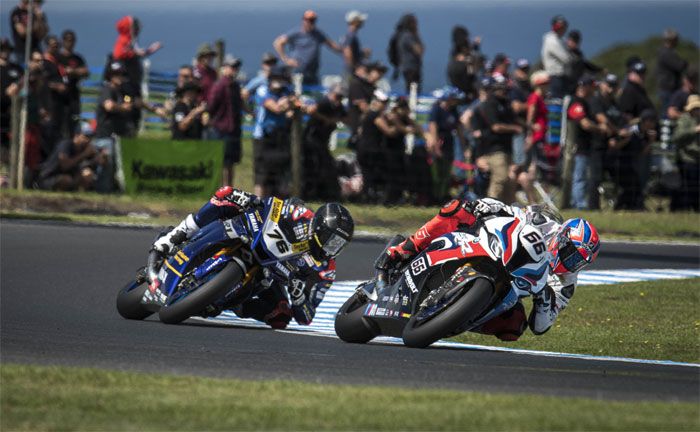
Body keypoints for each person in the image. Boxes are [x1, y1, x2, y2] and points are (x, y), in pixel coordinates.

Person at [384, 197, 600, 341]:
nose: (571, 262)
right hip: (491, 245)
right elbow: (512, 211)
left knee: (514, 328)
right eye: (570, 253)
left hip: (510, 287)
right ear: (562, 238)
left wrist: (544, 298)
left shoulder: (567, 282)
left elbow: (541, 327)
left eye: (578, 261)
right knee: (456, 209)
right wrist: (487, 207)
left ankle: (456, 316)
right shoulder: (543, 223)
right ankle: (405, 249)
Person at [151, 187, 355, 329]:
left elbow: (306, 317)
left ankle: (226, 303)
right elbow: (273, 206)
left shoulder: (326, 270)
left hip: (269, 275)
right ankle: (175, 236)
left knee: (281, 315)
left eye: (339, 244)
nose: (333, 248)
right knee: (225, 194)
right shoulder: (301, 215)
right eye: (332, 240)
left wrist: (299, 296)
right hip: (250, 235)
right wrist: (252, 201)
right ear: (318, 228)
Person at [252, 65, 300, 197]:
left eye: (280, 78)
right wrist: (287, 104)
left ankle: (275, 206)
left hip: (280, 136)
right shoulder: (262, 90)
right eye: (275, 78)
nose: (278, 81)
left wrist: (288, 102)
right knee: (262, 175)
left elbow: (296, 103)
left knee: (278, 174)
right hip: (263, 137)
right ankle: (259, 205)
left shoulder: (287, 91)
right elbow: (276, 108)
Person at [562, 75, 607, 210]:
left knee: (583, 177)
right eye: (592, 87)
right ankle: (578, 204)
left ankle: (579, 202)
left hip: (585, 147)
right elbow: (585, 124)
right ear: (585, 87)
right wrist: (600, 128)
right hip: (578, 147)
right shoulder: (576, 103)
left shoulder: (585, 103)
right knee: (579, 176)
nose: (594, 90)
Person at [480, 75, 522, 203]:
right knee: (500, 178)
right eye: (502, 87)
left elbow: (515, 120)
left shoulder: (506, 104)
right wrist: (514, 128)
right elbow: (496, 127)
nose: (504, 90)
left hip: (507, 148)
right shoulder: (490, 104)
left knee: (510, 181)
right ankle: (490, 207)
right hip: (494, 148)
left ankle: (508, 209)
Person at [302, 84, 347, 201]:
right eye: (337, 97)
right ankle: (309, 194)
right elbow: (311, 110)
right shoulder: (324, 102)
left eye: (341, 98)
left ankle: (324, 194)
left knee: (325, 166)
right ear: (331, 94)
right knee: (313, 166)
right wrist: (325, 119)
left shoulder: (338, 107)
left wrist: (332, 120)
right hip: (311, 139)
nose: (339, 100)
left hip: (323, 141)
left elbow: (345, 118)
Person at [273, 10, 342, 86]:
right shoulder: (296, 33)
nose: (310, 22)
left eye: (312, 20)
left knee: (314, 93)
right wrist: (286, 59)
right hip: (298, 71)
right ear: (303, 20)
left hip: (312, 72)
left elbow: (332, 45)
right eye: (308, 20)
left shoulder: (318, 34)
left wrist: (345, 50)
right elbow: (278, 43)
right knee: (297, 92)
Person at [588, 73, 626, 210]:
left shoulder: (615, 103)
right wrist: (617, 131)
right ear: (602, 84)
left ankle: (620, 206)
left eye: (614, 86)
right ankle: (593, 207)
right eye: (609, 85)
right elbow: (601, 118)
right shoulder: (596, 100)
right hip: (598, 145)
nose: (611, 89)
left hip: (613, 146)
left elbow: (621, 121)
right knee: (596, 178)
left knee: (620, 178)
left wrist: (616, 136)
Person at [36, 121, 105, 191]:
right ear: (76, 136)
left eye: (90, 137)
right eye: (85, 137)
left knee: (87, 174)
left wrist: (99, 158)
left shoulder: (85, 148)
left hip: (70, 177)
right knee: (66, 180)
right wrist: (84, 154)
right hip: (49, 177)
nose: (88, 140)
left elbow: (99, 161)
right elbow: (65, 165)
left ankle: (79, 194)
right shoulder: (66, 144)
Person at [207, 55, 243, 186]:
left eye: (236, 67)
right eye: (232, 67)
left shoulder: (235, 86)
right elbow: (211, 106)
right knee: (222, 164)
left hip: (233, 129)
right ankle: (222, 192)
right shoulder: (219, 86)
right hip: (221, 129)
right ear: (224, 68)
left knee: (230, 164)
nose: (235, 70)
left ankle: (229, 191)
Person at [426, 86, 466, 203]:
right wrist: (435, 144)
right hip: (439, 140)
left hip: (449, 141)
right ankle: (435, 196)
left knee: (447, 171)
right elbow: (433, 126)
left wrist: (464, 146)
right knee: (437, 171)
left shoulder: (453, 111)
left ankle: (444, 195)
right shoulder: (437, 109)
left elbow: (458, 129)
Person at [670, 94, 700, 212]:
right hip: (687, 158)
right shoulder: (684, 120)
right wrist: (694, 130)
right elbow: (677, 137)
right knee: (688, 186)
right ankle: (684, 208)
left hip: (698, 158)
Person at [58, 30, 88, 139]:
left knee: (74, 122)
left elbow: (85, 72)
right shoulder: (58, 57)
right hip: (59, 97)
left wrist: (73, 71)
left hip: (73, 95)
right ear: (63, 41)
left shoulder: (77, 58)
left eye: (72, 40)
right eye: (67, 40)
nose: (70, 43)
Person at [42, 34, 68, 144]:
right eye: (53, 46)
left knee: (60, 128)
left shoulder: (58, 61)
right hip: (50, 100)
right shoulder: (44, 62)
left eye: (57, 46)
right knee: (51, 128)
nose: (56, 48)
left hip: (61, 102)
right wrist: (57, 87)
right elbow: (43, 82)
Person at [95, 61, 132, 139]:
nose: (119, 76)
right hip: (106, 135)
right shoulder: (107, 90)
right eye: (116, 74)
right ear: (110, 76)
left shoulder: (124, 91)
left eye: (121, 74)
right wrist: (122, 107)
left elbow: (129, 102)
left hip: (121, 133)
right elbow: (109, 106)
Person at [656, 28, 688, 118]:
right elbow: (679, 66)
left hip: (670, 88)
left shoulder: (668, 52)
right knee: (667, 113)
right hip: (668, 89)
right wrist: (684, 63)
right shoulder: (665, 53)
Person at [0, 38, 23, 159]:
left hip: (13, 113)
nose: (5, 52)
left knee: (13, 147)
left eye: (7, 49)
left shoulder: (16, 68)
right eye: (2, 49)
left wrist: (18, 87)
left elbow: (25, 83)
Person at [541, 15, 572, 98]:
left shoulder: (560, 39)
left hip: (560, 76)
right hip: (555, 76)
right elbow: (566, 58)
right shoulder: (552, 40)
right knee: (557, 100)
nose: (562, 29)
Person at [10, 0, 49, 65]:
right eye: (36, 2)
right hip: (22, 51)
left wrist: (39, 18)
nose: (38, 5)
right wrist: (35, 25)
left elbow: (42, 34)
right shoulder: (17, 13)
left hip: (36, 50)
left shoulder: (39, 14)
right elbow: (22, 33)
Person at [564, 29, 601, 95]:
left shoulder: (579, 54)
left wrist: (600, 69)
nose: (574, 43)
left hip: (577, 84)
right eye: (572, 40)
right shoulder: (562, 51)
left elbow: (585, 64)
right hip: (566, 83)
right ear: (568, 40)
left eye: (576, 41)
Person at [395, 14, 424, 93]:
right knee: (413, 88)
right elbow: (419, 50)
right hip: (410, 67)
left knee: (412, 87)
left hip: (408, 66)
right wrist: (417, 35)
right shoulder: (408, 36)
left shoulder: (403, 35)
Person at [341, 10, 368, 74]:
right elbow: (347, 52)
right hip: (352, 72)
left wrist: (361, 53)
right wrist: (355, 68)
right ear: (355, 22)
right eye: (360, 21)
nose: (362, 22)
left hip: (351, 70)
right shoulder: (350, 35)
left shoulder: (351, 35)